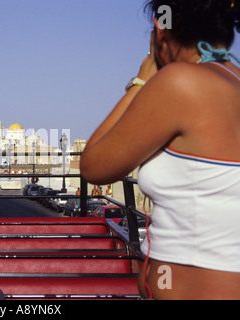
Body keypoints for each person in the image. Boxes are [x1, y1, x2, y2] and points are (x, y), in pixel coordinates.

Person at [80, 0, 240, 299]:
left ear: (159, 30)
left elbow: (93, 166)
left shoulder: (181, 82)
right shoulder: (232, 82)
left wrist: (143, 79)